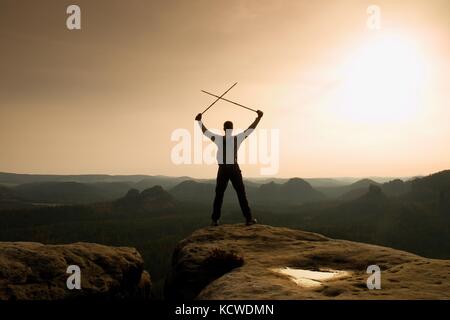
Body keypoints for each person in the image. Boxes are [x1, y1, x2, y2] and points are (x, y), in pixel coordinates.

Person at [195, 110, 263, 226]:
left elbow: (205, 132)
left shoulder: (219, 139)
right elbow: (250, 129)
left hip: (222, 170)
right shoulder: (237, 138)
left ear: (223, 129)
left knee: (219, 194)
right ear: (232, 129)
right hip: (234, 168)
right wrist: (258, 118)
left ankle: (215, 220)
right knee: (241, 193)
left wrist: (200, 121)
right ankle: (248, 219)